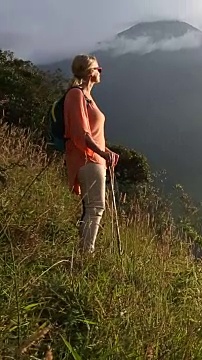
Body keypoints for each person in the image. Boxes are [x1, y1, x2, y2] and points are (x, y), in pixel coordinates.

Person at [64, 54, 118, 255]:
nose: (100, 71)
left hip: (94, 159)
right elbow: (81, 134)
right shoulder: (76, 95)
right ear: (89, 72)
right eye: (98, 69)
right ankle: (86, 254)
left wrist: (107, 151)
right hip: (87, 159)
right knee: (95, 207)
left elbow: (92, 134)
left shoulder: (87, 97)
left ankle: (84, 251)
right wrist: (101, 153)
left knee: (91, 208)